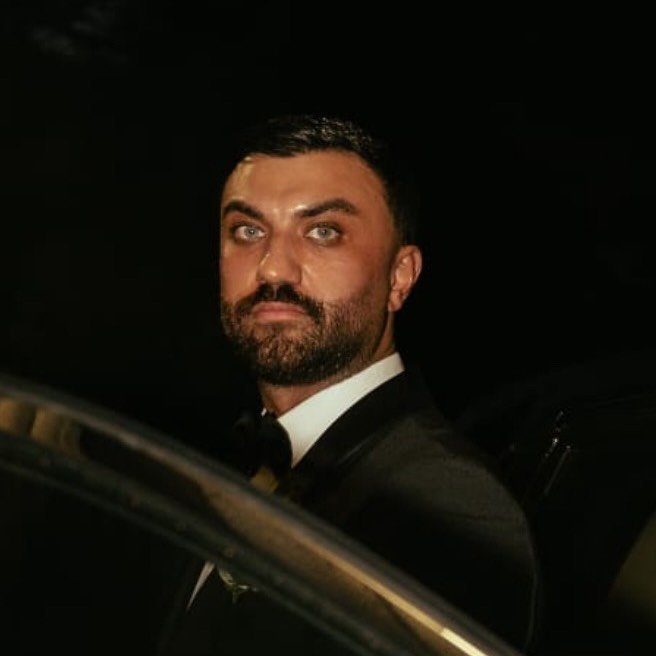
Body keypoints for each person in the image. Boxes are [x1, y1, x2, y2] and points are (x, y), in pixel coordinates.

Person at [159, 114, 543, 654]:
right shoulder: (222, 461)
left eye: (323, 232)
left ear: (399, 277)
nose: (273, 269)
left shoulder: (450, 508)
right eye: (247, 231)